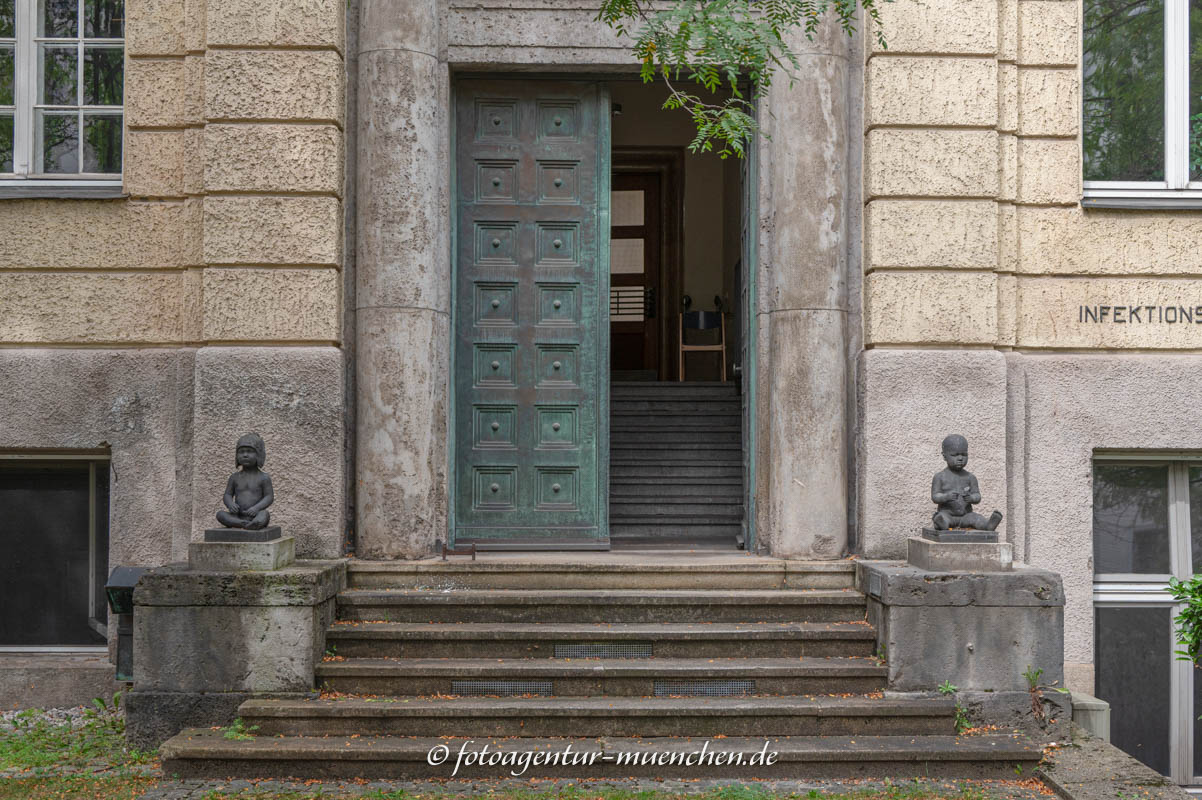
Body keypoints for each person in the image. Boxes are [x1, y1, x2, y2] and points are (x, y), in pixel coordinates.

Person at [931, 434, 1002, 531]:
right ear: (944, 456)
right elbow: (935, 497)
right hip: (948, 514)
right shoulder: (939, 477)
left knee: (976, 518)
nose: (960, 458)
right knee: (943, 517)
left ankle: (988, 525)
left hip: (966, 515)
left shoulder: (970, 477)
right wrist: (946, 497)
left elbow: (977, 496)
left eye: (964, 454)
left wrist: (971, 498)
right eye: (955, 455)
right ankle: (941, 523)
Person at [216, 433, 274, 530]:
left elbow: (269, 497)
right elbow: (227, 495)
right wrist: (230, 504)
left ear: (258, 455)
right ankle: (243, 523)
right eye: (241, 452)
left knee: (264, 514)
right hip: (237, 515)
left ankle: (253, 523)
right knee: (220, 515)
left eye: (249, 451)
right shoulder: (234, 477)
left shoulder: (264, 477)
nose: (245, 455)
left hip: (256, 514)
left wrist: (256, 508)